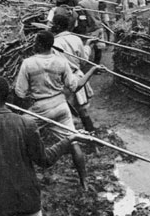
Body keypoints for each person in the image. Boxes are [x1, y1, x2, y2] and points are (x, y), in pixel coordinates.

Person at [0, 76, 91, 216]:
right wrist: (69, 139)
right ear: (8, 97)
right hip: (26, 203)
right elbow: (45, 160)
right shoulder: (26, 124)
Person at [15, 30, 104, 189]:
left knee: (17, 134)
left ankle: (22, 178)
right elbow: (75, 86)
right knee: (72, 141)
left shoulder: (28, 63)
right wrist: (92, 70)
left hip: (39, 108)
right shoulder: (61, 62)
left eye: (36, 42)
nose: (34, 44)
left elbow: (20, 93)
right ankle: (84, 181)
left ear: (40, 44)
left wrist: (32, 94)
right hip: (61, 106)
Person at [51, 14, 96, 132]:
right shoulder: (76, 39)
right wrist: (87, 47)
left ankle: (76, 141)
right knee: (82, 110)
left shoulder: (53, 43)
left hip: (64, 81)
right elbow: (83, 61)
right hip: (78, 77)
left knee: (68, 114)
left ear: (57, 26)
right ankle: (91, 135)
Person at [77, 0, 107, 64]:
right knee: (98, 48)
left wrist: (82, 30)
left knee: (87, 46)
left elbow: (82, 19)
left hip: (90, 29)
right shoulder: (95, 1)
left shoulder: (80, 4)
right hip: (99, 27)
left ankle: (85, 63)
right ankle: (97, 64)